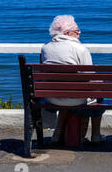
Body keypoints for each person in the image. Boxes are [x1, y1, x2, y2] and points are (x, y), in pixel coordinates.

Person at [41, 15, 105, 145]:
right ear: (68, 33)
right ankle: (96, 135)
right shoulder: (80, 49)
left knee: (64, 88)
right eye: (77, 31)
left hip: (52, 98)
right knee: (99, 91)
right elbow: (89, 78)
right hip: (76, 99)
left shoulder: (45, 48)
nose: (80, 33)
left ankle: (57, 133)